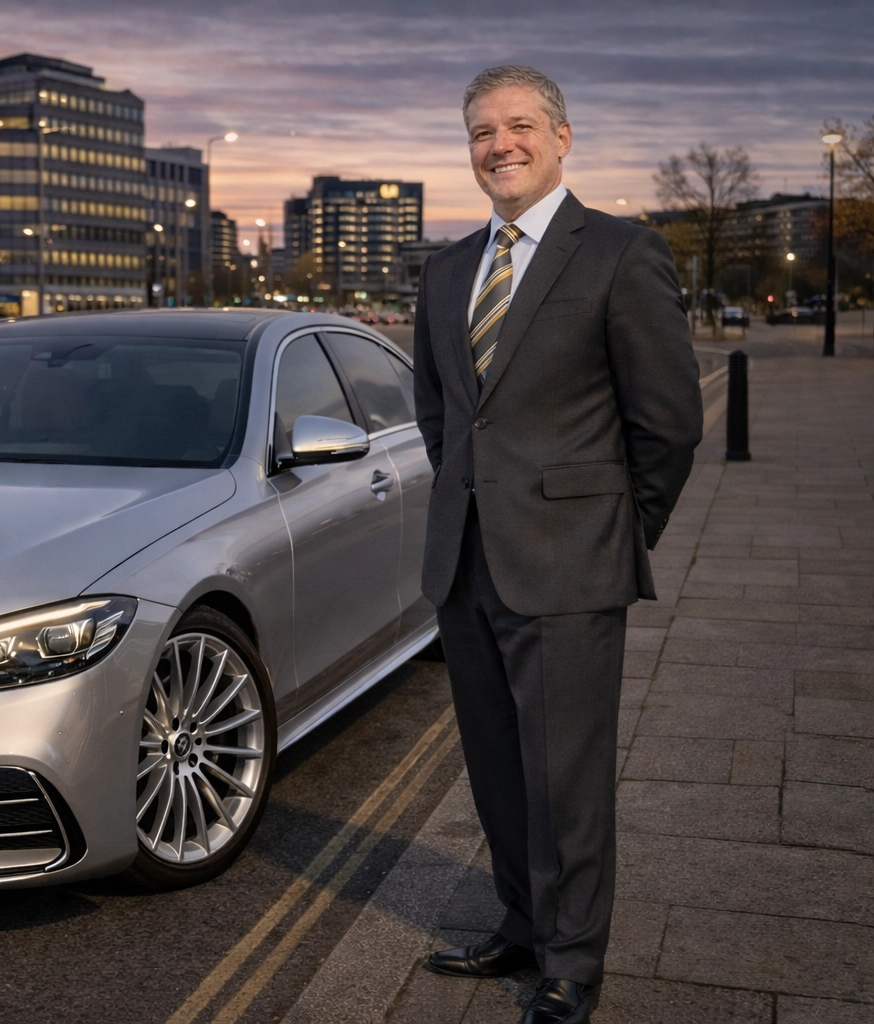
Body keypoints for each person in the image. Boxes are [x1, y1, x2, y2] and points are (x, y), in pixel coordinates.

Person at [412, 66, 702, 1024]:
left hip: (572, 564)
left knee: (565, 777)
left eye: (521, 125)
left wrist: (613, 536)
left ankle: (573, 961)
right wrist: (472, 506)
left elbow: (669, 425)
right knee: (498, 767)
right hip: (466, 562)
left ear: (563, 137)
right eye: (482, 131)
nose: (500, 145)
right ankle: (524, 924)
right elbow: (441, 419)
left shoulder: (621, 252)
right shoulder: (447, 271)